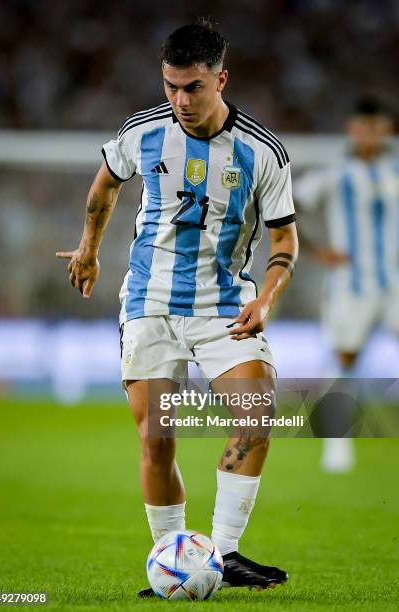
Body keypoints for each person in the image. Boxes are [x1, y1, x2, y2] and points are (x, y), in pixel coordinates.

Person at [57, 21, 298, 596]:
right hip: (150, 304)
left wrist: (266, 299)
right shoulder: (142, 133)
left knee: (257, 418)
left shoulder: (263, 152)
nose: (180, 101)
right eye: (170, 87)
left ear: (221, 78)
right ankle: (168, 558)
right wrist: (88, 248)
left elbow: (285, 239)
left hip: (225, 307)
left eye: (193, 87)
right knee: (156, 439)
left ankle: (227, 553)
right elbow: (105, 186)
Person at [294, 97, 399, 472]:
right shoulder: (336, 174)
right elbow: (288, 205)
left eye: (377, 127)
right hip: (352, 285)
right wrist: (314, 250)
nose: (370, 134)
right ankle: (336, 445)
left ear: (386, 130)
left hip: (396, 281)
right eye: (363, 127)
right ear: (352, 130)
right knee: (345, 359)